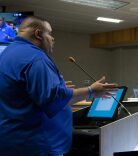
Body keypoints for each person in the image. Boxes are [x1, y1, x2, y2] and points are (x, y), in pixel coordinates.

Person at [0, 16, 118, 156]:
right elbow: (53, 100)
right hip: (36, 145)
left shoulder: (6, 54)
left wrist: (58, 87)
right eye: (49, 33)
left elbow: (21, 92)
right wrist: (91, 91)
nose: (52, 38)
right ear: (38, 34)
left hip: (12, 142)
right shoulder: (36, 58)